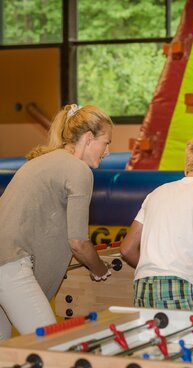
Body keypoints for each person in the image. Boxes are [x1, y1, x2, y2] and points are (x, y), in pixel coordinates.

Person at [0, 104, 113, 340]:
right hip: (10, 267)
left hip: (6, 263)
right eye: (106, 142)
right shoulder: (78, 170)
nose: (108, 151)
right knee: (54, 343)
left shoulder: (43, 161)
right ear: (89, 138)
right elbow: (78, 242)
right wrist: (100, 269)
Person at [120, 132, 193, 311]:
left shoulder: (157, 192)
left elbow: (126, 249)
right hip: (181, 285)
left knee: (154, 339)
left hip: (142, 286)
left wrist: (155, 267)